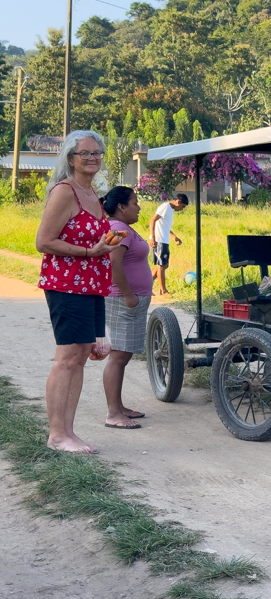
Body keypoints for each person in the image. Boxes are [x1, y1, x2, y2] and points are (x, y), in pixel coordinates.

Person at [36, 130, 119, 453]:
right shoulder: (65, 191)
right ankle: (57, 435)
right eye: (85, 153)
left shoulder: (91, 193)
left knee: (81, 357)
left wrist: (105, 246)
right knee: (67, 359)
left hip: (91, 286)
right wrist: (89, 253)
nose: (92, 158)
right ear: (70, 158)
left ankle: (68, 432)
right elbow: (43, 241)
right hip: (67, 285)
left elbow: (93, 241)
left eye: (97, 152)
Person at [102, 186, 153, 429]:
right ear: (122, 206)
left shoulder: (123, 228)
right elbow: (113, 262)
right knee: (118, 356)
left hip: (131, 300)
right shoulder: (119, 228)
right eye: (135, 202)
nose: (139, 207)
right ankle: (113, 414)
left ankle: (119, 407)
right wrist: (128, 294)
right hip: (123, 301)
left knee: (123, 355)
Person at [148, 193, 189, 295]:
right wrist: (153, 237)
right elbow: (152, 220)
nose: (182, 209)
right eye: (182, 206)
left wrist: (174, 236)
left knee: (164, 265)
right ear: (178, 202)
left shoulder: (170, 210)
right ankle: (163, 290)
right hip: (159, 240)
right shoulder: (165, 207)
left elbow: (164, 226)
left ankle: (146, 286)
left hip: (164, 240)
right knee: (161, 266)